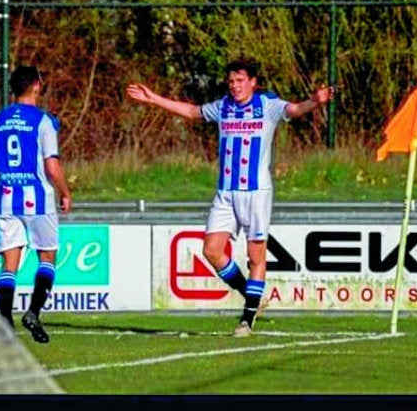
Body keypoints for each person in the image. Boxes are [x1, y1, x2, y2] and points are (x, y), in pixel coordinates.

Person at [126, 58, 333, 337]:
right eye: (231, 81)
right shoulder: (223, 106)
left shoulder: (267, 105)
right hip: (225, 192)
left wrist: (315, 101)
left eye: (240, 81)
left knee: (255, 255)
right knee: (211, 250)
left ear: (253, 82)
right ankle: (251, 297)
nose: (234, 86)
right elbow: (191, 112)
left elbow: (295, 110)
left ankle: (247, 320)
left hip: (256, 192)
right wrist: (154, 99)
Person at [0, 65, 72, 344]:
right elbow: (52, 166)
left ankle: (5, 319)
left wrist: (3, 191)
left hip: (7, 199)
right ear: (37, 86)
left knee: (9, 264)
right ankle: (33, 312)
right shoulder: (43, 121)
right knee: (47, 258)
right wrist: (65, 192)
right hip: (38, 200)